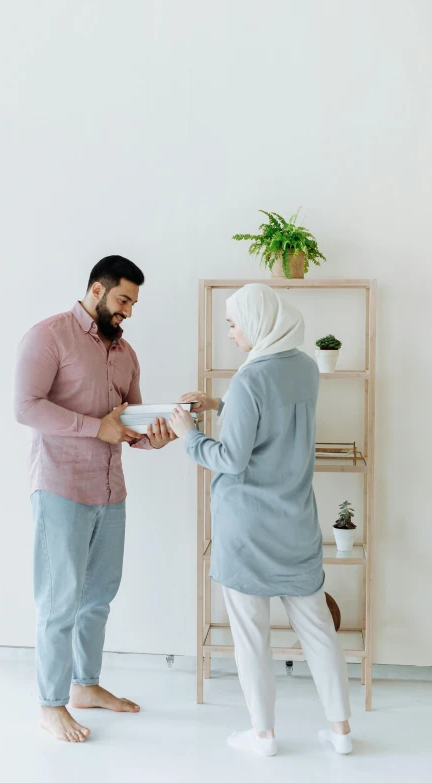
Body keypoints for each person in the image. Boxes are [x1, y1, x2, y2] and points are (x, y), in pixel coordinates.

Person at [171, 283, 352, 758]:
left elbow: (232, 458)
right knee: (318, 630)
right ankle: (341, 731)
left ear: (257, 323)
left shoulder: (251, 379)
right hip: (296, 523)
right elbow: (272, 419)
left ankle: (264, 736)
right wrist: (218, 405)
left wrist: (189, 434)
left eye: (233, 324)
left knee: (252, 636)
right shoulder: (307, 367)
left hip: (247, 530)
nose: (230, 334)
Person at [14, 255, 176, 743]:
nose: (128, 311)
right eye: (124, 299)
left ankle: (85, 686)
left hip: (110, 490)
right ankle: (50, 704)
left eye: (133, 303)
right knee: (59, 601)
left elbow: (126, 424)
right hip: (60, 486)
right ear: (97, 290)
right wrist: (94, 427)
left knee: (98, 597)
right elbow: (25, 407)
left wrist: (154, 436)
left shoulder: (125, 353)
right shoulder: (49, 336)